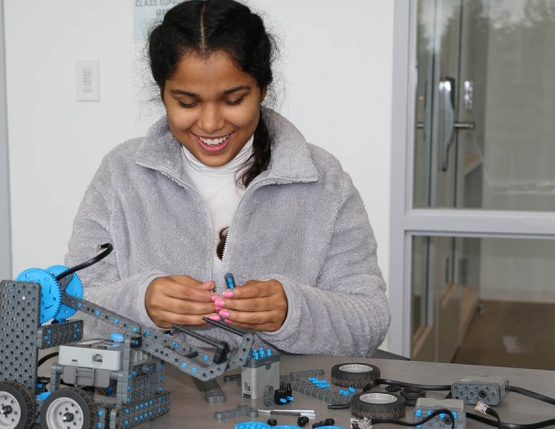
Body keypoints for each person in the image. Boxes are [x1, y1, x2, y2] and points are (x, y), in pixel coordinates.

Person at [66, 0, 390, 356]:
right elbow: (71, 309)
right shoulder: (121, 175)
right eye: (187, 103)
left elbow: (369, 319)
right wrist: (139, 303)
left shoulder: (324, 181)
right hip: (153, 403)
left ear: (262, 90)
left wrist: (293, 312)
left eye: (232, 99)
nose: (210, 123)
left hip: (283, 407)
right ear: (163, 95)